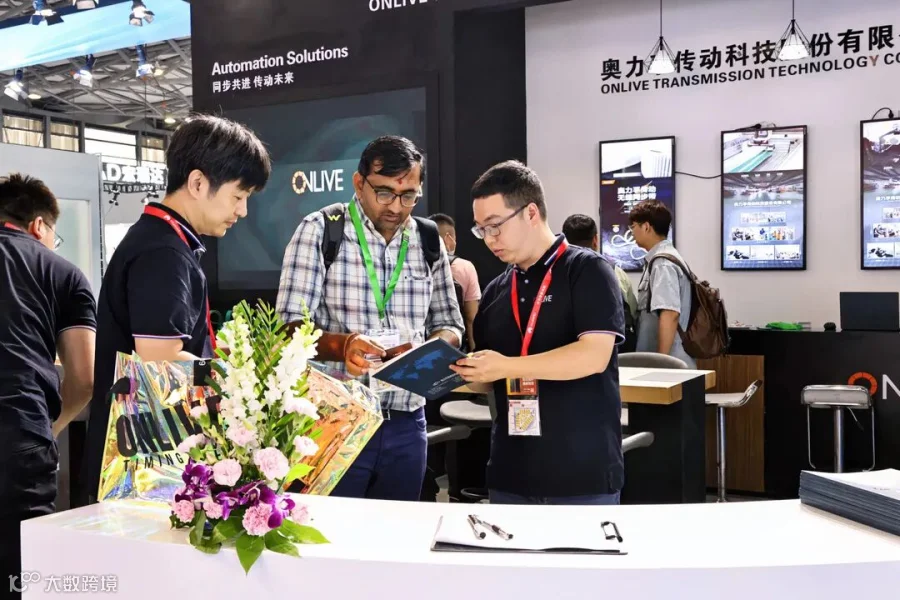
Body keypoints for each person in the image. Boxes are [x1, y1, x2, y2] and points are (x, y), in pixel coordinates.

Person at [80, 115, 271, 506]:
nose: (243, 211)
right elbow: (160, 357)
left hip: (139, 451)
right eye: (238, 196)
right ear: (198, 183)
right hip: (138, 463)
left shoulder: (164, 241)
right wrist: (239, 382)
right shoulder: (163, 251)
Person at [277, 136, 464, 502]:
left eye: (408, 195)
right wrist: (343, 346)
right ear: (358, 183)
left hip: (407, 423)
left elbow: (450, 323)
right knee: (333, 530)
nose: (396, 206)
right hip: (338, 418)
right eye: (384, 193)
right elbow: (287, 328)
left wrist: (428, 352)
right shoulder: (321, 230)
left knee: (397, 530)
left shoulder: (428, 239)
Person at [451, 160, 626, 506]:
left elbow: (593, 356)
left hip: (581, 473)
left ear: (531, 212)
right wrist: (456, 372)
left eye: (495, 226)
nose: (489, 239)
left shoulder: (587, 270)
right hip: (510, 473)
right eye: (481, 230)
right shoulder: (497, 290)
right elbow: (487, 381)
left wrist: (507, 367)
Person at [0, 174, 96, 596]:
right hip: (18, 438)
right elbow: (85, 379)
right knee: (22, 576)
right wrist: (49, 428)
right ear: (39, 225)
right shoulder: (64, 273)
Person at [628, 200, 695, 368]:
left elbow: (670, 314)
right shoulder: (661, 259)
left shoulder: (662, 263)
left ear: (646, 227)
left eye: (633, 226)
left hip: (669, 364)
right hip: (667, 361)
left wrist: (661, 364)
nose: (632, 232)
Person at [561, 213, 637, 351]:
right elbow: (632, 313)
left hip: (567, 350)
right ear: (595, 240)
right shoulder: (614, 272)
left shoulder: (553, 274)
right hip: (614, 350)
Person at [428, 212, 481, 351]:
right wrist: (474, 352)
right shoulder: (465, 267)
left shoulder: (416, 264)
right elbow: (471, 317)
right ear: (449, 238)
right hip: (453, 346)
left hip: (418, 348)